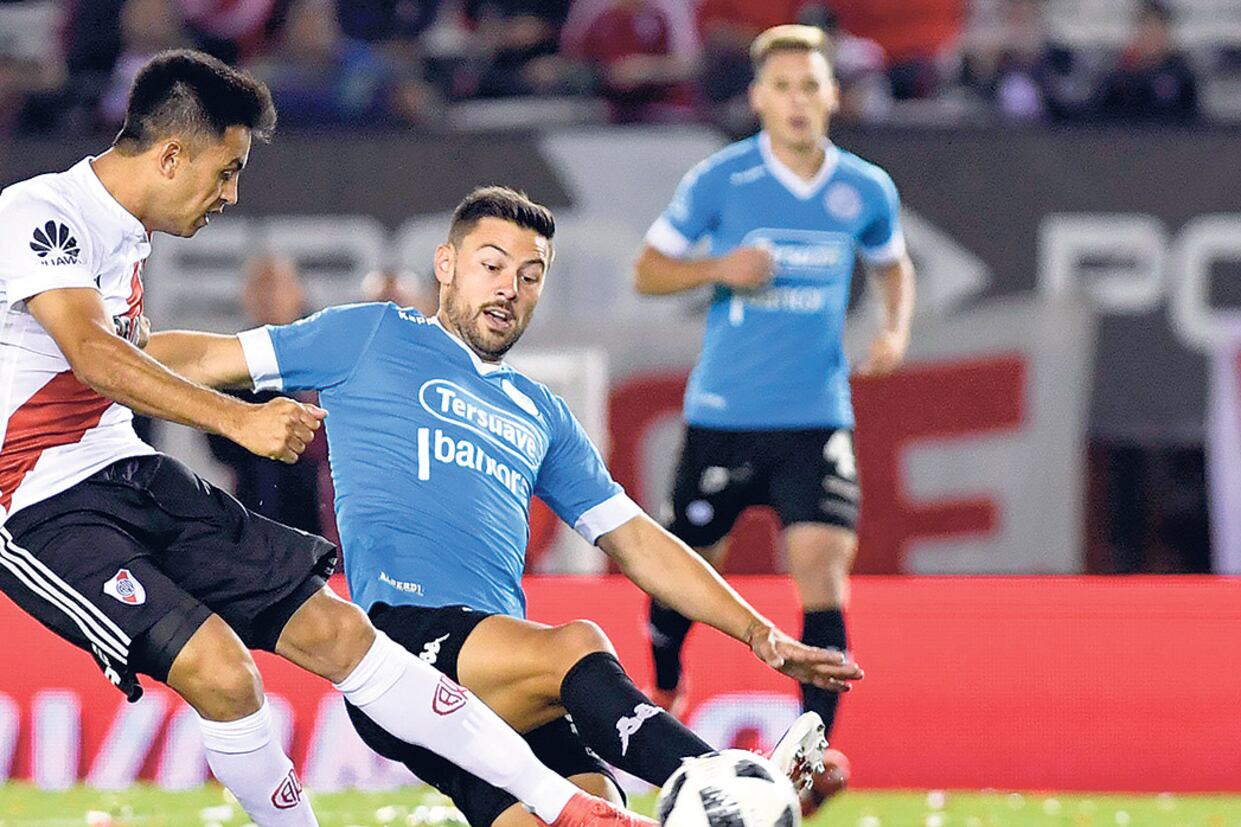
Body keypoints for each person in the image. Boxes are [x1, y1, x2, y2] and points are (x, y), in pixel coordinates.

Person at [0, 48, 654, 827]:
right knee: (221, 672)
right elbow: (93, 354)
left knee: (340, 630)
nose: (231, 194)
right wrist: (237, 416)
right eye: (226, 170)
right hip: (35, 501)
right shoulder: (40, 210)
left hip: (126, 469)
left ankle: (568, 806)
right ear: (171, 155)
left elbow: (128, 353)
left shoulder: (128, 239)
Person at [145, 185, 865, 827]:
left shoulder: (541, 412)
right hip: (405, 645)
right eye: (491, 265)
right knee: (577, 644)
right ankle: (719, 784)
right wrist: (101, 350)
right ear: (446, 264)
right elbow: (210, 357)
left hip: (501, 676)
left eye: (529, 275)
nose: (508, 289)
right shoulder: (371, 335)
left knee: (597, 806)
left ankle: (721, 794)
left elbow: (638, 541)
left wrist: (758, 633)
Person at [632, 24, 916, 812]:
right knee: (688, 567)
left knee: (822, 568)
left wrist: (894, 330)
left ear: (831, 95)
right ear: (758, 98)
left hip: (815, 415)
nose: (796, 100)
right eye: (781, 86)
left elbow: (893, 265)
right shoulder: (721, 179)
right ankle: (664, 684)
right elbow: (647, 270)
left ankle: (811, 754)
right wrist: (717, 266)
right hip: (724, 413)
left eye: (809, 86)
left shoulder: (864, 188)